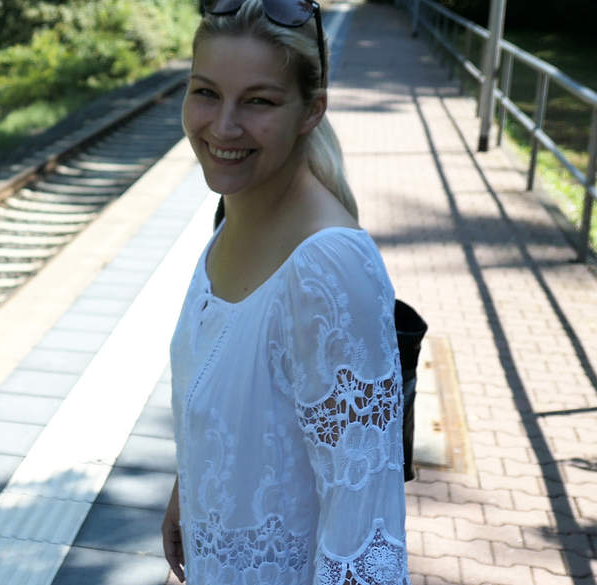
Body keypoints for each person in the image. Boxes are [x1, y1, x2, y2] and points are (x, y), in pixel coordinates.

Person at [162, 1, 411, 583]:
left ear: (311, 110)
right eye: (206, 92)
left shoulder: (328, 267)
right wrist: (189, 487)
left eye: (259, 102)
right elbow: (241, 406)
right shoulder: (234, 212)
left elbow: (364, 533)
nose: (224, 127)